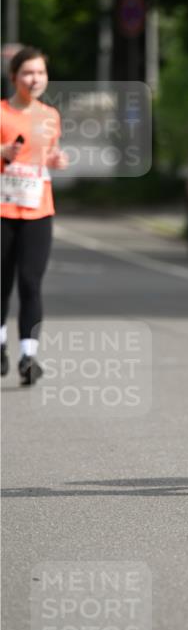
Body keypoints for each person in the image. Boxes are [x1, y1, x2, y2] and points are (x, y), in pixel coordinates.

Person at [1, 46, 68, 384]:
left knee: (31, 282)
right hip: (2, 210)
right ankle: (0, 346)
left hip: (38, 210)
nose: (35, 78)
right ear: (14, 77)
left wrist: (55, 160)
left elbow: (46, 155)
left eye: (40, 73)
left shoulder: (49, 116)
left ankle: (29, 356)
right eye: (28, 72)